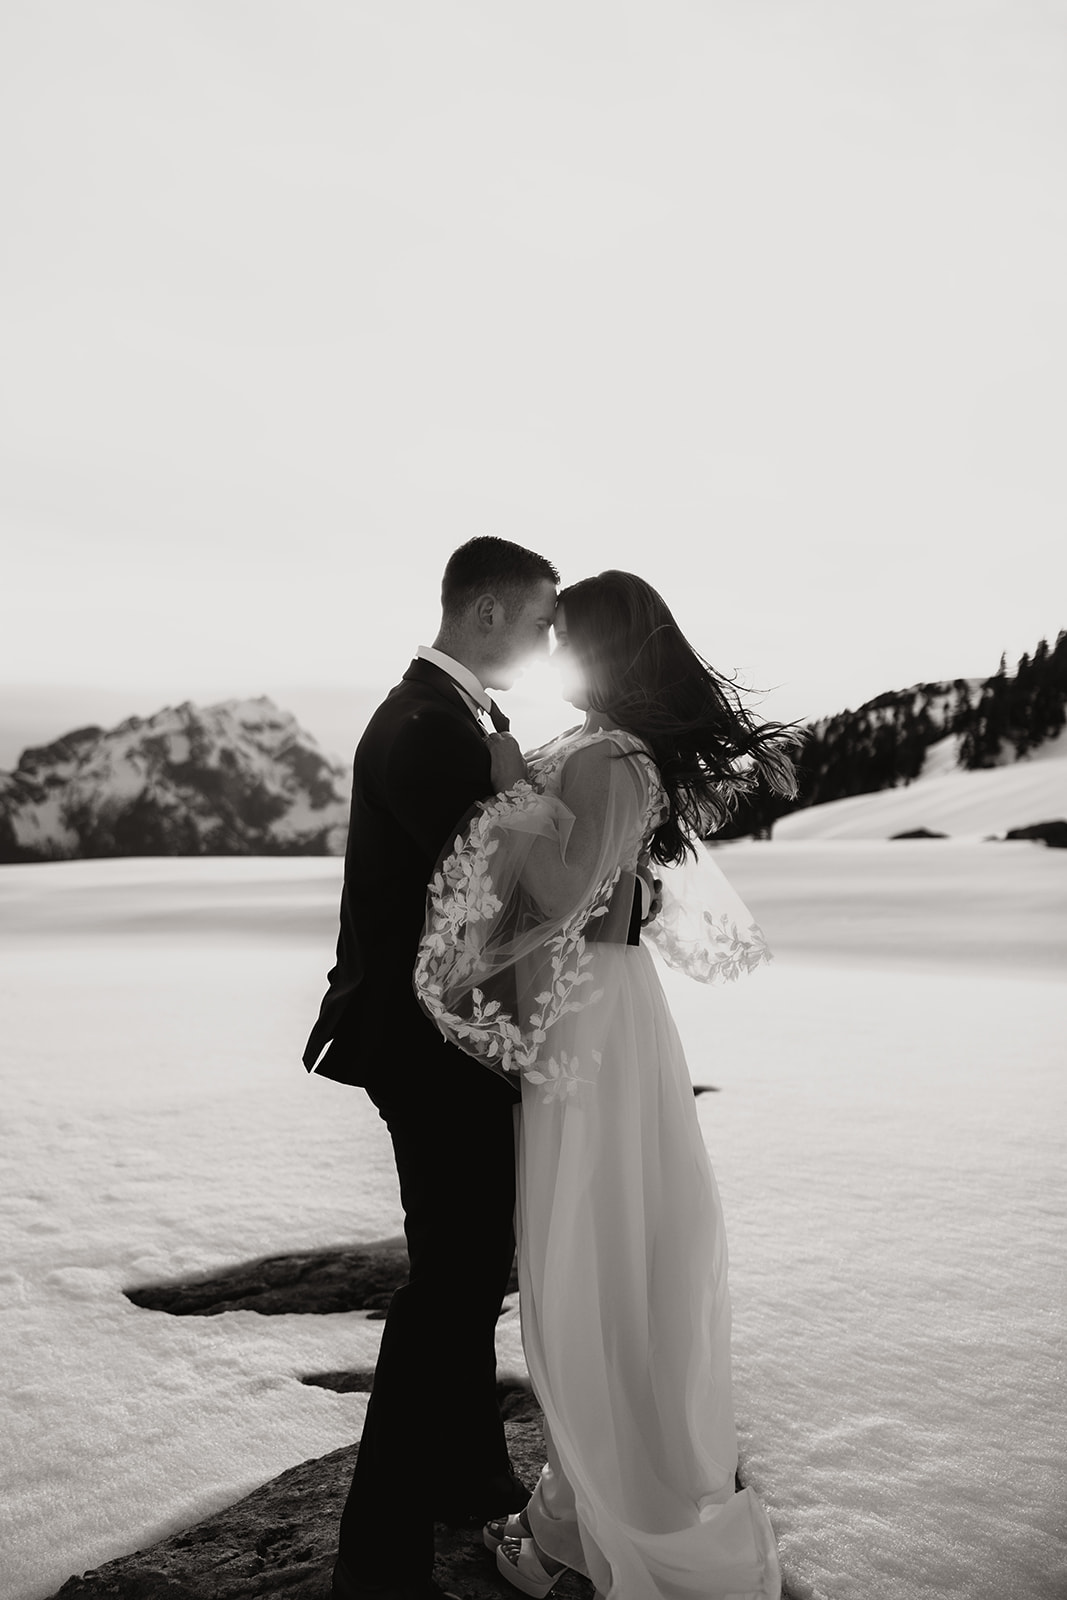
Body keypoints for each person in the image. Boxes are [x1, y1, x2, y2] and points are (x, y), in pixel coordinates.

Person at [415, 571, 797, 1600]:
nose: (550, 647)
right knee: (595, 1251)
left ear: (603, 647)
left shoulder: (614, 753)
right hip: (590, 1010)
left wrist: (506, 786)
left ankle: (613, 1519)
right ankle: (588, 1504)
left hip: (592, 1013)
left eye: (564, 632)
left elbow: (566, 893)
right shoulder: (608, 745)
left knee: (590, 1256)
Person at [303, 537, 559, 1600]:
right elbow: (494, 890)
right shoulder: (424, 729)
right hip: (428, 1046)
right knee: (448, 1284)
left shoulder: (444, 716)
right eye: (541, 620)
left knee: (464, 1269)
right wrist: (528, 806)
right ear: (489, 610)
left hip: (443, 1041)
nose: (547, 641)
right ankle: (377, 1551)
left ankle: (462, 1471)